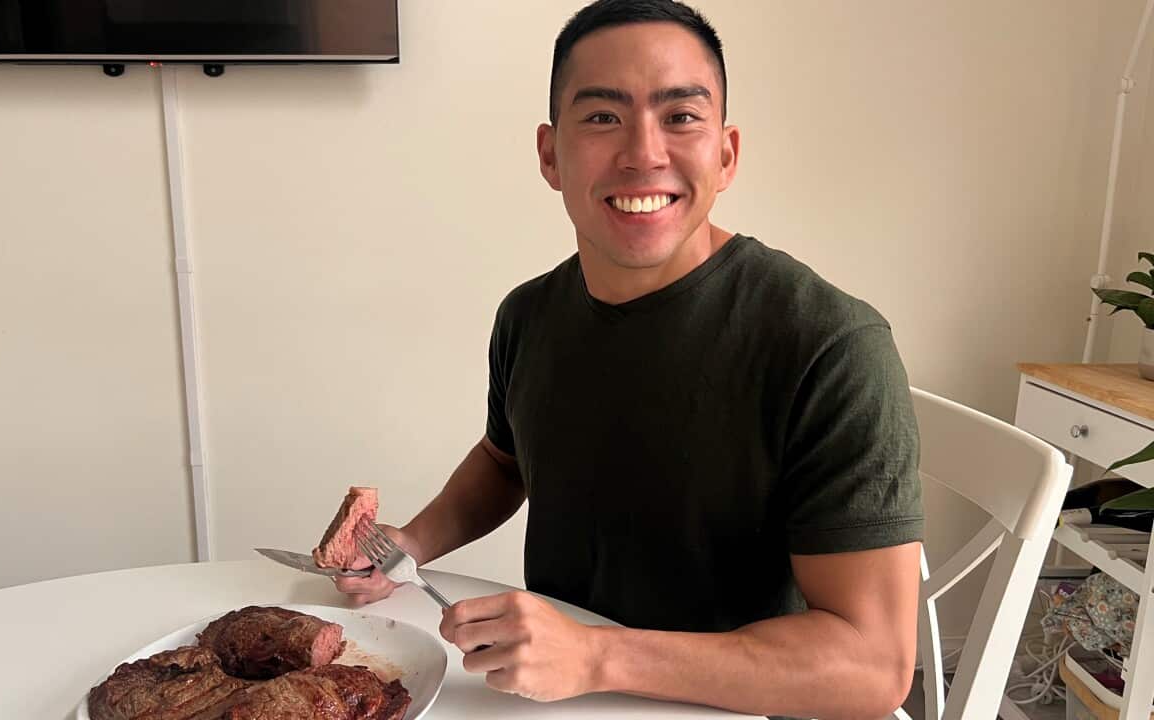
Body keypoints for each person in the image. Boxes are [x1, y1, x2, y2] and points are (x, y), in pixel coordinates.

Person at [334, 1, 922, 717]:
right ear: (550, 154)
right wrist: (411, 544)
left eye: (680, 116)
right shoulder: (529, 315)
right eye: (604, 117)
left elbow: (871, 666)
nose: (644, 152)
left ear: (727, 153)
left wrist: (593, 654)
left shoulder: (828, 346)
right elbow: (505, 459)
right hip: (561, 700)